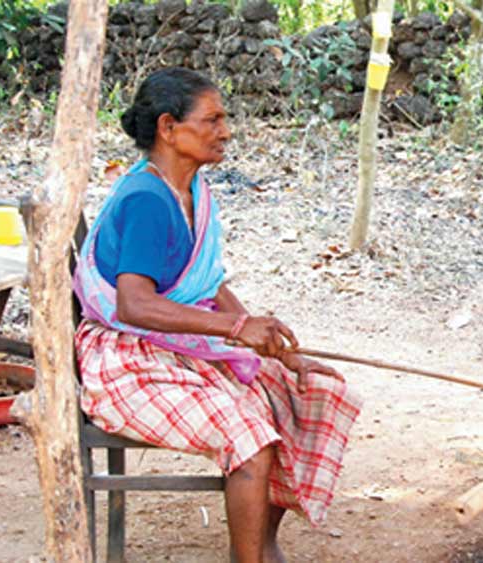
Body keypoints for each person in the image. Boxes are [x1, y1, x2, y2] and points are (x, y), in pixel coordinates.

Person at [73, 67, 361, 563]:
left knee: (309, 391)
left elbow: (208, 285)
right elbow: (134, 305)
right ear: (168, 128)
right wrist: (235, 329)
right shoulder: (147, 199)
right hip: (126, 358)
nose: (225, 131)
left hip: (174, 341)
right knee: (248, 437)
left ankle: (260, 544)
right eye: (213, 120)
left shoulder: (192, 191)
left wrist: (272, 346)